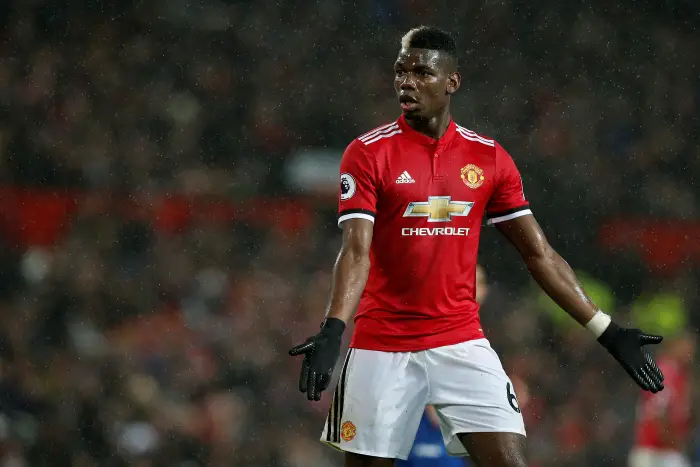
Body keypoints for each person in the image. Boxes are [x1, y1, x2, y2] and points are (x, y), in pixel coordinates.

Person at [289, 26, 665, 467]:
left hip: (461, 342)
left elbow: (538, 254)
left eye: (422, 72)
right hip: (382, 346)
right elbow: (355, 251)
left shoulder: (489, 158)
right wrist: (334, 328)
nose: (406, 82)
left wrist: (608, 330)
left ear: (452, 82)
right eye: (400, 71)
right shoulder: (368, 153)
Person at [397, 265, 489, 467]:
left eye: (478, 284)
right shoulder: (430, 321)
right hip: (417, 424)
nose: (472, 290)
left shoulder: (482, 336)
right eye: (467, 283)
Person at [629, 331, 695, 467]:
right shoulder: (666, 371)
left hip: (660, 451)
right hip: (655, 452)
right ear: (674, 346)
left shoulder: (678, 374)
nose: (690, 353)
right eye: (686, 347)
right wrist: (674, 441)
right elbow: (659, 414)